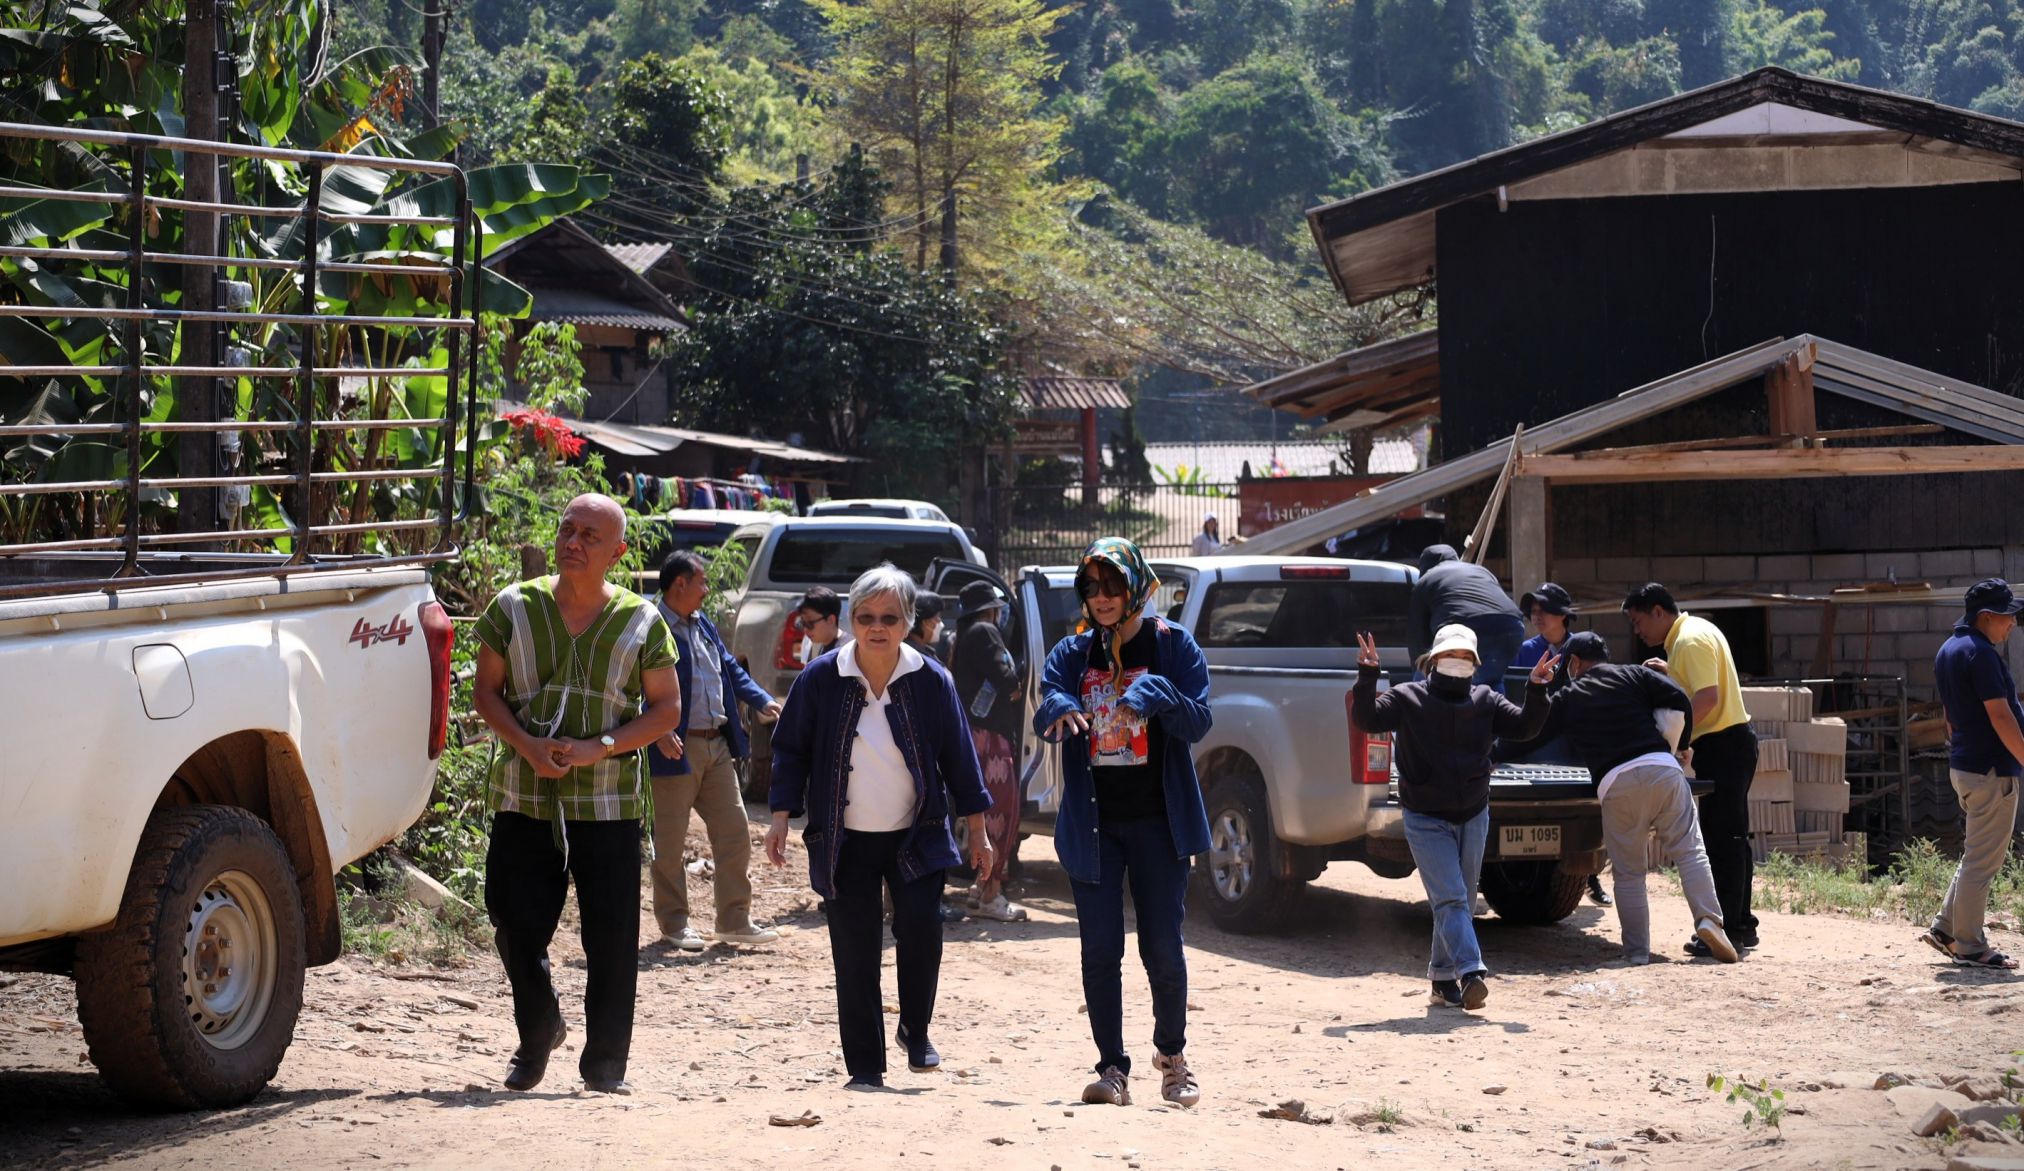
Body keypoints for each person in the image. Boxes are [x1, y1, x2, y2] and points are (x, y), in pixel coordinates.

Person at [471, 494, 683, 1095]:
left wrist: (601, 746)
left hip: (610, 801)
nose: (574, 542)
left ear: (617, 552)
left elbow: (667, 709)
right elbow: (485, 692)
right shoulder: (513, 607)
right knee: (512, 919)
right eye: (568, 529)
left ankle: (606, 1065)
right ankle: (540, 1027)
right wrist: (527, 746)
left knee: (611, 937)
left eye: (591, 536)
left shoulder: (641, 620)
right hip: (523, 791)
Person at [765, 564, 995, 1089]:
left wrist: (979, 831)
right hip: (842, 839)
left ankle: (916, 1030)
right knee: (855, 949)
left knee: (922, 933)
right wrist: (780, 817)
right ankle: (865, 1066)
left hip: (917, 834)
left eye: (889, 618)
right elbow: (790, 749)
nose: (876, 627)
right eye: (866, 616)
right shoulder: (820, 678)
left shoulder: (932, 680)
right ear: (851, 619)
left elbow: (961, 760)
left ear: (908, 622)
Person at [1035, 537, 1212, 1109]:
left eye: (1113, 585)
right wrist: (1058, 707)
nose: (1103, 597)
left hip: (1160, 824)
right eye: (1092, 587)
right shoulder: (1072, 653)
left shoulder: (1173, 646)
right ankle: (1112, 1069)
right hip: (1094, 829)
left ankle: (1173, 1059)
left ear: (1135, 585)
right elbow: (1047, 702)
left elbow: (1199, 722)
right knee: (1100, 950)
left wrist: (1162, 695)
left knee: (1163, 948)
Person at [1351, 623, 1555, 1010]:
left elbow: (1525, 727)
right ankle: (1471, 971)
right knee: (1450, 899)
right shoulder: (1407, 697)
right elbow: (1367, 718)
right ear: (1434, 659)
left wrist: (1537, 689)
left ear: (1475, 663)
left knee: (1459, 899)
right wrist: (1368, 674)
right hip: (1425, 817)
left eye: (1464, 656)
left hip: (1473, 814)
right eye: (1450, 655)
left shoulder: (1486, 700)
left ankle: (1443, 981)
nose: (1457, 661)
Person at [1513, 631, 1737, 965]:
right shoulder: (1635, 673)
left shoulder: (1570, 695)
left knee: (1630, 873)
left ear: (1575, 663)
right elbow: (1679, 698)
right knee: (1690, 853)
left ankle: (1636, 953)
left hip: (1618, 783)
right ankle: (1709, 921)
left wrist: (1493, 754)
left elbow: (1531, 734)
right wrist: (1683, 745)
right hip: (1663, 770)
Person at [646, 550, 784, 952]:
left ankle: (734, 920)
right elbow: (630, 684)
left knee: (735, 833)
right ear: (680, 584)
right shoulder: (649, 625)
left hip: (716, 745)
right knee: (670, 843)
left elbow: (729, 668)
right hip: (674, 748)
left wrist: (761, 699)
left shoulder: (701, 622)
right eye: (702, 582)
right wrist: (656, 730)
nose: (707, 590)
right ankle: (675, 924)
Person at [1623, 583, 1758, 955]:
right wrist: (1671, 672)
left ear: (1658, 611)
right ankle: (1741, 924)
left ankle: (1727, 930)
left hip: (1725, 744)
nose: (1637, 631)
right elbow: (1700, 686)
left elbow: (1708, 699)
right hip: (1728, 743)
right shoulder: (1692, 633)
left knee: (1722, 840)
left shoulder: (1689, 640)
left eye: (1638, 621)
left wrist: (1678, 740)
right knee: (1731, 836)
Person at [1922, 578, 2024, 969]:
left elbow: (1950, 716)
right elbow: (2000, 715)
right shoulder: (1980, 654)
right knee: (1983, 863)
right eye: (2007, 616)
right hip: (1991, 770)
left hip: (1966, 765)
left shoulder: (1949, 650)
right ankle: (1969, 945)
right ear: (1986, 617)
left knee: (1975, 856)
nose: (2012, 624)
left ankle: (1947, 929)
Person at [1514, 582, 1611, 907]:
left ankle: (1591, 877)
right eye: (1533, 611)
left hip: (1579, 739)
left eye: (1544, 610)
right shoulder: (1526, 650)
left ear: (1563, 615)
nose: (1537, 616)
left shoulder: (1584, 647)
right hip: (1542, 738)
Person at [951, 580, 1028, 922]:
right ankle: (991, 894)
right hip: (991, 741)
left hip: (973, 737)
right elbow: (1007, 681)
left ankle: (981, 887)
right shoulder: (985, 631)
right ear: (992, 609)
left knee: (983, 816)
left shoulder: (964, 636)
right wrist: (1015, 687)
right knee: (999, 815)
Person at [1410, 544, 1526, 687]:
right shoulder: (1481, 570)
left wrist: (1417, 674)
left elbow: (1417, 635)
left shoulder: (1425, 580)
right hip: (1513, 626)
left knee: (1428, 679)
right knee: (1492, 681)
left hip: (1464, 627)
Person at [795, 586, 843, 662]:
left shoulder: (845, 654)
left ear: (831, 620)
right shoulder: (815, 643)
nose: (805, 629)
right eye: (802, 623)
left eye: (810, 623)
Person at [908, 590, 948, 663]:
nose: (940, 622)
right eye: (937, 616)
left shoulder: (924, 650)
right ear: (926, 622)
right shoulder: (916, 659)